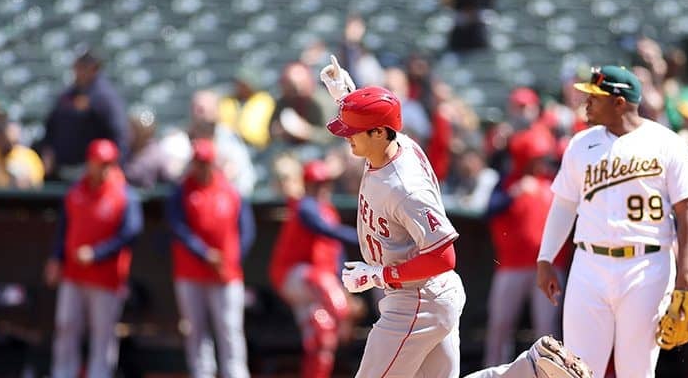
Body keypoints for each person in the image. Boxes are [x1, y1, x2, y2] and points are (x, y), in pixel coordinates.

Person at [533, 66, 688, 377]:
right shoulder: (581, 144)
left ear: (619, 102)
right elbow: (564, 204)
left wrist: (687, 271)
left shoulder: (666, 143)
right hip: (588, 263)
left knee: (636, 370)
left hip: (646, 266)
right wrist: (545, 258)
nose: (586, 102)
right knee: (576, 369)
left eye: (595, 97)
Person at [320, 56, 466, 377]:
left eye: (354, 131)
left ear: (378, 133)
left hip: (419, 297)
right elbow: (375, 118)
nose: (347, 136)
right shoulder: (388, 142)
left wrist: (378, 276)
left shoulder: (406, 187)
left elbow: (444, 257)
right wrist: (346, 96)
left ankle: (529, 368)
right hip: (425, 295)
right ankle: (530, 367)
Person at [45, 139, 143, 378]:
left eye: (109, 163)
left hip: (106, 276)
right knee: (66, 326)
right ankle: (63, 373)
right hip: (73, 272)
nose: (105, 168)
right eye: (101, 163)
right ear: (90, 163)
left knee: (103, 333)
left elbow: (131, 232)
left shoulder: (124, 194)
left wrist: (97, 253)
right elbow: (64, 229)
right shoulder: (75, 191)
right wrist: (56, 258)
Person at [166, 138, 255, 378]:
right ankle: (202, 372)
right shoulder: (182, 192)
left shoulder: (230, 190)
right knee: (195, 328)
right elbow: (178, 228)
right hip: (191, 271)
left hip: (226, 273)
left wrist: (233, 258)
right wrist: (204, 253)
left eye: (206, 162)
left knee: (229, 328)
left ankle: (235, 373)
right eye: (198, 162)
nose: (202, 167)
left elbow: (247, 230)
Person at [483, 128, 564, 367]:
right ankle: (493, 371)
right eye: (536, 158)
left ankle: (550, 372)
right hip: (512, 266)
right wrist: (514, 193)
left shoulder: (555, 183)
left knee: (547, 329)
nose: (541, 162)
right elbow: (490, 210)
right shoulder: (507, 182)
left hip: (549, 266)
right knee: (500, 326)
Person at [269, 160, 358, 378]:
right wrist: (361, 239)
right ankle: (342, 313)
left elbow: (337, 252)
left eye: (324, 183)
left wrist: (343, 284)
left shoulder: (329, 210)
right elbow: (323, 229)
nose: (321, 188)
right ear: (307, 185)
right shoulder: (305, 206)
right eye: (316, 183)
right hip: (293, 275)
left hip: (316, 287)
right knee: (324, 283)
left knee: (323, 337)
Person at [39, 51, 130, 181]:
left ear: (94, 69)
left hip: (92, 173)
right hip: (61, 169)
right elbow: (51, 126)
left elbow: (119, 134)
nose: (77, 72)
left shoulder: (105, 97)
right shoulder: (68, 94)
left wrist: (114, 167)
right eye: (77, 67)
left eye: (83, 67)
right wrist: (48, 151)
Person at [0, 118, 45, 189]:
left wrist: (23, 178)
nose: (9, 145)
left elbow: (37, 186)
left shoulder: (29, 157)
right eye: (4, 140)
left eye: (13, 142)